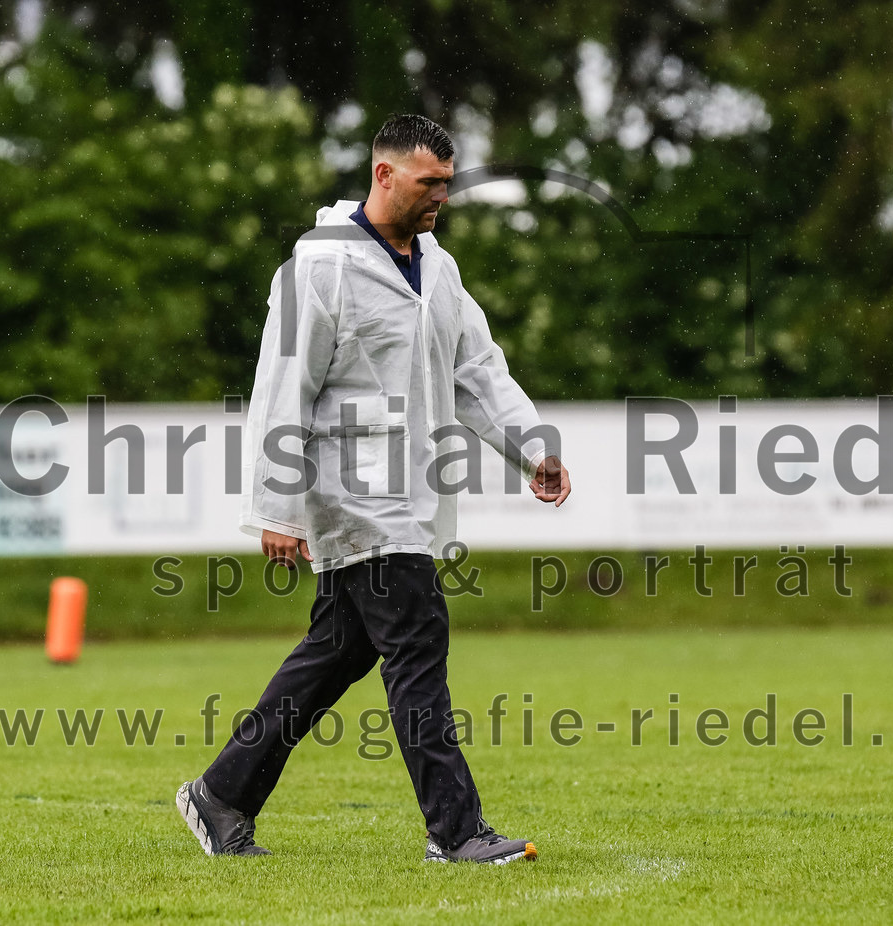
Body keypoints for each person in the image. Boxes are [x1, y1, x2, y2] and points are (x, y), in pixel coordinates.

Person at [176, 114, 571, 865]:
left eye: (449, 186)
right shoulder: (319, 266)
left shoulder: (439, 269)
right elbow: (281, 389)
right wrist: (276, 506)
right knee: (418, 643)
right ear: (383, 174)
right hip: (350, 499)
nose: (440, 200)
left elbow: (477, 369)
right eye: (429, 184)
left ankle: (222, 793)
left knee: (336, 652)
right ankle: (455, 832)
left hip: (409, 500)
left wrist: (533, 450)